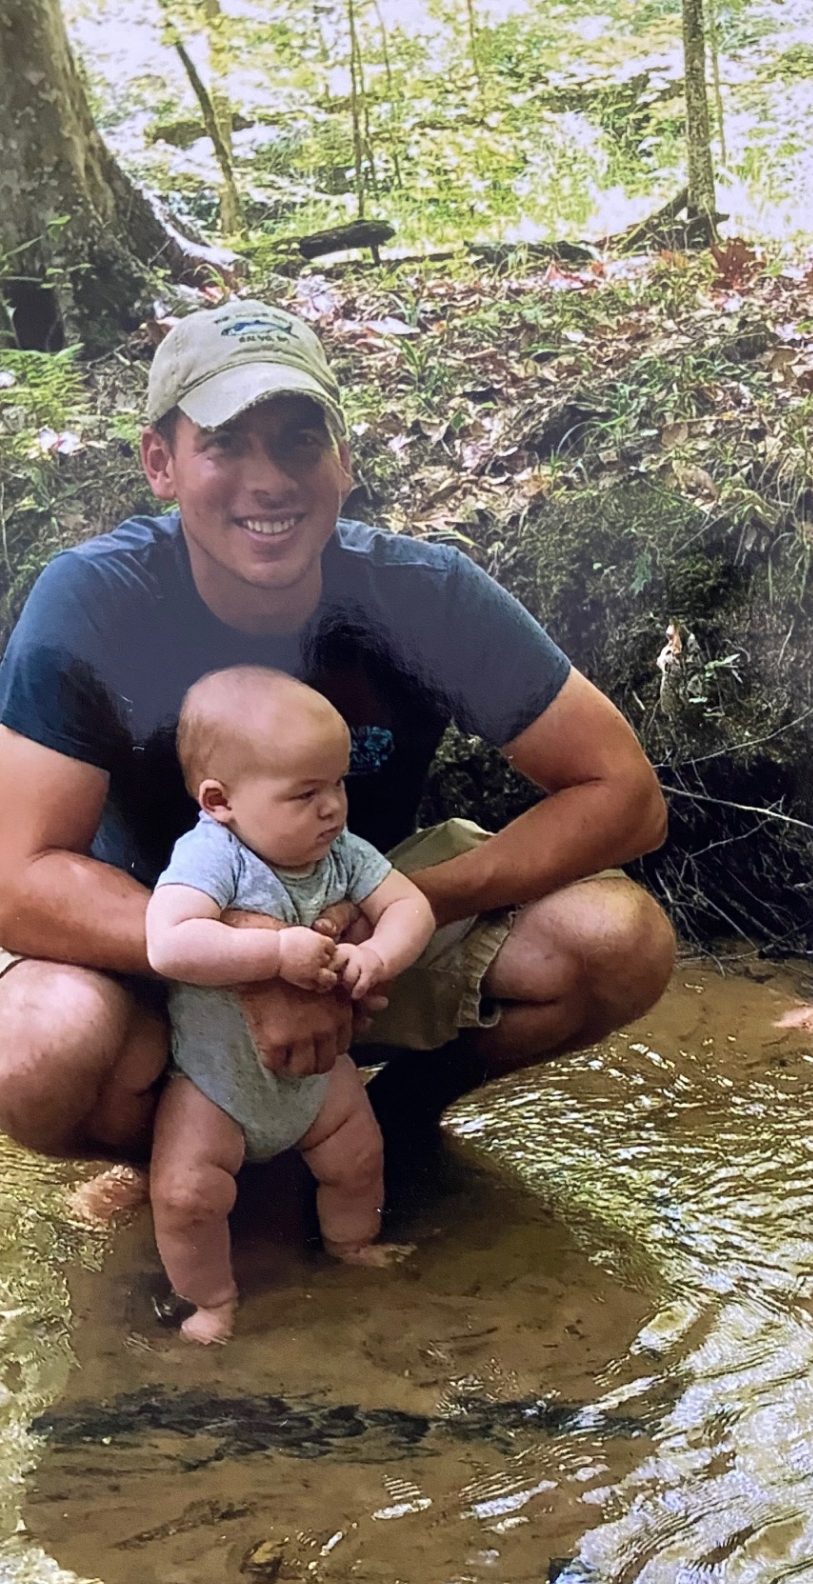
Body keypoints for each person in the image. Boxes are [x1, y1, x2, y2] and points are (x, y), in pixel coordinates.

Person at [0, 298, 674, 1190]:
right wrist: (253, 955)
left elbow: (628, 796)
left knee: (619, 941)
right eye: (227, 445)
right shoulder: (92, 601)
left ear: (344, 463)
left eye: (297, 442)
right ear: (160, 462)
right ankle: (185, 1159)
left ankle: (392, 1125)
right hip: (145, 935)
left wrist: (406, 906)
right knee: (36, 1048)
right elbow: (16, 878)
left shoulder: (423, 594)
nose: (268, 479)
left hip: (358, 913)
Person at [145, 668, 436, 1344]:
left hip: (319, 1076)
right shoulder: (213, 855)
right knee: (187, 1197)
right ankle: (211, 1301)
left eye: (337, 784)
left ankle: (351, 1247)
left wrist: (379, 956)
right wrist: (275, 958)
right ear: (220, 801)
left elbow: (408, 905)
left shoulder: (342, 853)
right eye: (305, 793)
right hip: (216, 1081)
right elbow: (169, 943)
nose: (332, 807)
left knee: (359, 1161)